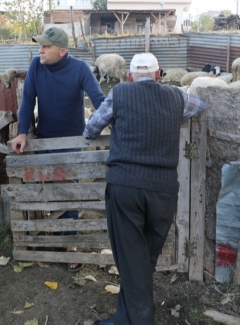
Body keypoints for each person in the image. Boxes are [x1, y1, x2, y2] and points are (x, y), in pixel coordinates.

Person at [84, 53, 207, 325]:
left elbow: (91, 128)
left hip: (126, 187)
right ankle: (122, 318)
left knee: (131, 260)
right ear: (158, 75)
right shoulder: (177, 96)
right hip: (164, 192)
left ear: (129, 76)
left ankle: (140, 320)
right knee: (142, 260)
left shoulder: (120, 93)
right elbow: (201, 104)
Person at [10, 26, 106, 272]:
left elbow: (99, 101)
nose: (40, 50)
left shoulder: (80, 69)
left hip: (73, 142)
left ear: (62, 51)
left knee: (68, 192)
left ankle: (70, 243)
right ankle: (58, 233)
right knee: (53, 190)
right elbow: (28, 100)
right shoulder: (36, 66)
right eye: (40, 45)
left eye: (46, 46)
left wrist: (114, 121)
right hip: (45, 139)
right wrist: (22, 132)